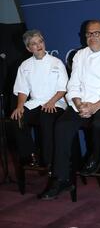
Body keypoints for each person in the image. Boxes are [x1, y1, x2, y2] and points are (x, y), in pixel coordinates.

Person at [40, 20, 100, 200]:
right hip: (82, 103)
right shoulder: (79, 55)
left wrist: (94, 106)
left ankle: (96, 156)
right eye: (89, 34)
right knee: (62, 126)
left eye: (96, 33)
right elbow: (73, 84)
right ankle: (61, 179)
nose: (92, 37)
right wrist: (79, 104)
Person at [11, 30, 68, 170]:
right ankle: (30, 154)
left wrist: (52, 102)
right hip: (35, 102)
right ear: (28, 48)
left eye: (40, 41)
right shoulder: (24, 65)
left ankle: (48, 160)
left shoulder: (57, 62)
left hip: (56, 102)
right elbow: (22, 90)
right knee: (17, 118)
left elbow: (63, 88)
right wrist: (19, 106)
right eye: (34, 44)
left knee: (46, 118)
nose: (38, 45)